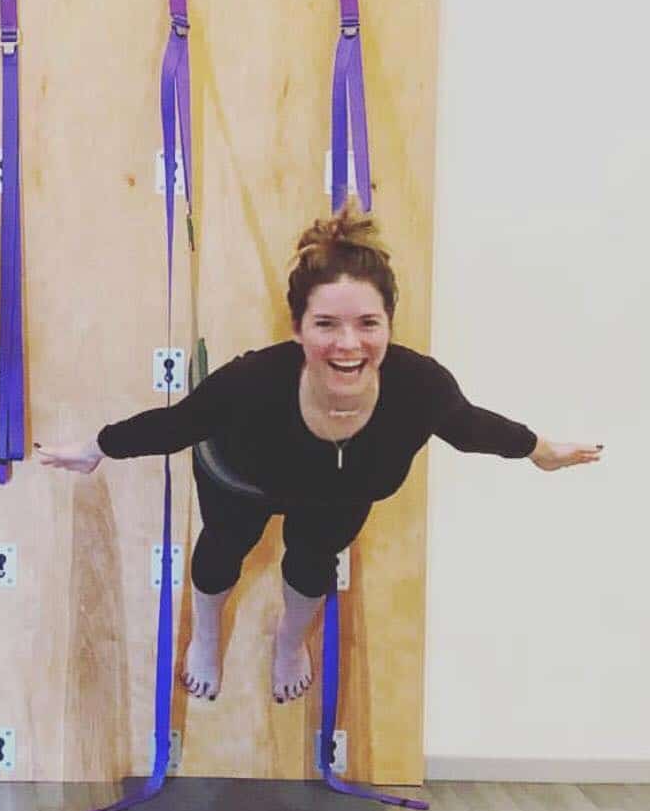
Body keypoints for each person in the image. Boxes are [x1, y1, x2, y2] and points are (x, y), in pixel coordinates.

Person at [37, 202, 601, 703]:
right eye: (326, 324)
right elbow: (178, 423)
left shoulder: (420, 388)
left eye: (367, 324)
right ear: (299, 328)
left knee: (312, 563)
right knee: (221, 551)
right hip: (243, 476)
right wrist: (97, 448)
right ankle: (207, 635)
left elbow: (470, 426)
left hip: (339, 491)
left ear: (389, 324)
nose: (348, 344)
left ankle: (289, 643)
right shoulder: (252, 383)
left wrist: (539, 450)